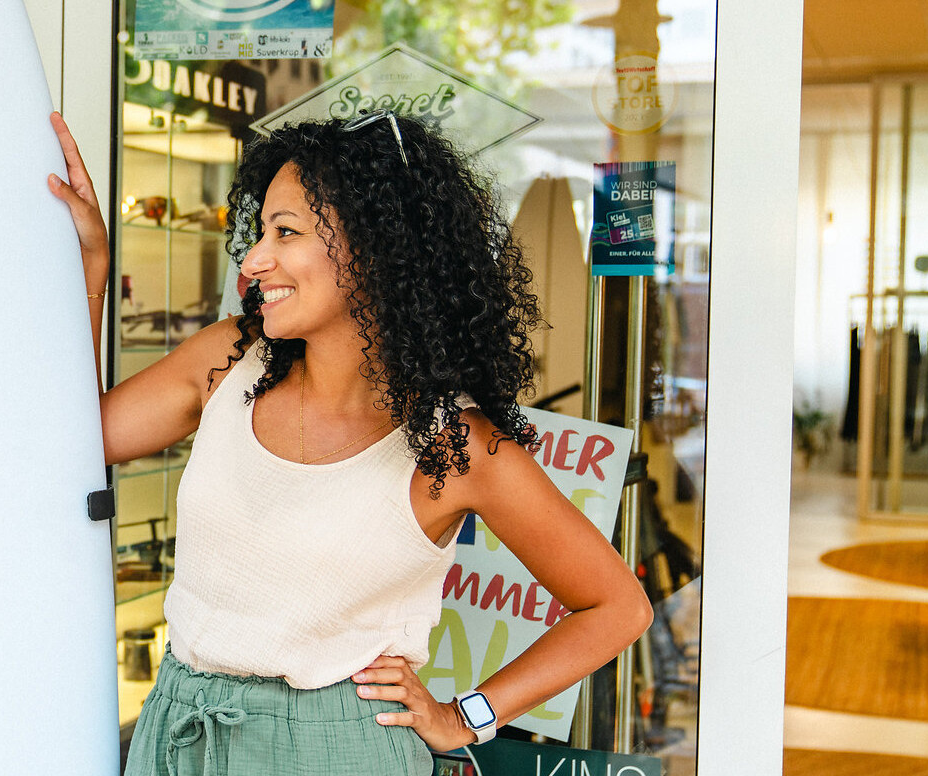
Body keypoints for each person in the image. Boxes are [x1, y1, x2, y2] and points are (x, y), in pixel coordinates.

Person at [44, 112, 652, 774]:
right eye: (259, 232)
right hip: (183, 727)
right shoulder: (229, 359)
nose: (254, 260)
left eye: (286, 232)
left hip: (336, 747)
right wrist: (91, 269)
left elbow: (617, 607)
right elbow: (72, 440)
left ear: (375, 248)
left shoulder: (452, 446)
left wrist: (465, 717)